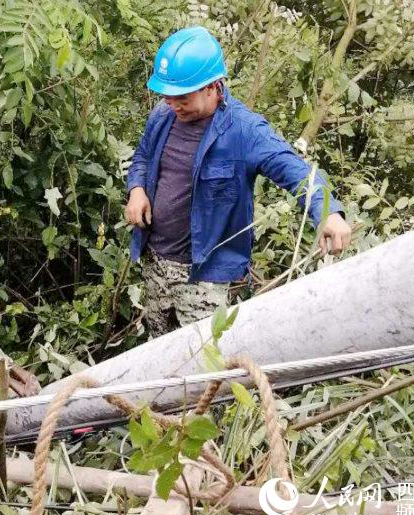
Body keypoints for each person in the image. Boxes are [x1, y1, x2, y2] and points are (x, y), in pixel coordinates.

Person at [125, 26, 353, 338]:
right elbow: (143, 156)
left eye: (182, 97)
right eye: (167, 96)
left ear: (212, 87)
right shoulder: (163, 115)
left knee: (201, 356)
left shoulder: (245, 132)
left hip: (202, 274)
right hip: (156, 260)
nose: (173, 104)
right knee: (158, 344)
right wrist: (137, 190)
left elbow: (295, 171)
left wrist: (327, 212)